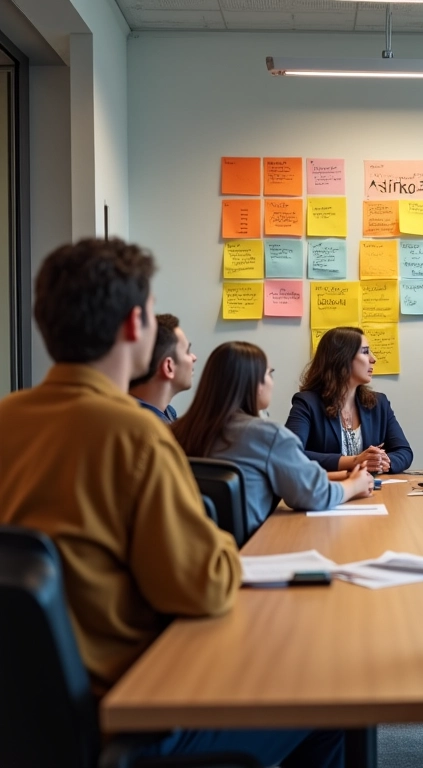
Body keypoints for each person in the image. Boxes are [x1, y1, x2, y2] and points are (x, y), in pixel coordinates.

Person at [0, 238, 344, 768]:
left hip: (23, 721)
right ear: (136, 326)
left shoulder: (8, 418)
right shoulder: (135, 433)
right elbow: (203, 586)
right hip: (130, 718)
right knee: (332, 694)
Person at [173, 341, 374, 535]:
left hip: (197, 549)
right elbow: (313, 495)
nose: (272, 381)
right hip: (253, 549)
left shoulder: (178, 431)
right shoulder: (267, 435)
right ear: (255, 384)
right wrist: (354, 485)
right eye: (269, 374)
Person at [285, 326, 413, 474]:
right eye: (365, 352)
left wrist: (384, 462)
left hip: (373, 491)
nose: (373, 359)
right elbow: (290, 453)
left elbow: (404, 451)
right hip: (328, 492)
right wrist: (355, 461)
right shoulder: (307, 403)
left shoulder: (379, 403)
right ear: (342, 358)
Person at [128, 312, 196, 423]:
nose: (194, 357)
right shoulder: (143, 428)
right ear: (169, 367)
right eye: (187, 352)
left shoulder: (167, 413)